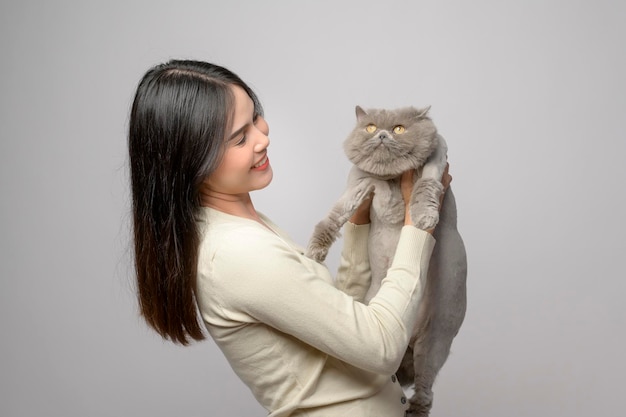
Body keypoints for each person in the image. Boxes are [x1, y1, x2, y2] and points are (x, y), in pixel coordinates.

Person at [128, 59, 451, 417]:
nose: (262, 137)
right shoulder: (237, 254)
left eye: (256, 117)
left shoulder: (242, 223)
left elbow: (339, 322)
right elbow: (381, 345)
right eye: (240, 137)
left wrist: (357, 229)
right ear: (191, 162)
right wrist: (418, 224)